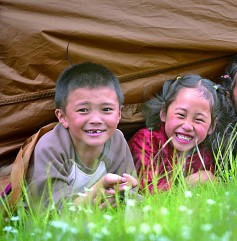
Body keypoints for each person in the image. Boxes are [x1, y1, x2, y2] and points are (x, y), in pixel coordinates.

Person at [26, 62, 138, 210]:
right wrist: (98, 189)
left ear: (119, 114)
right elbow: (51, 211)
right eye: (83, 110)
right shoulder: (51, 146)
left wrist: (124, 192)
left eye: (106, 109)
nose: (96, 120)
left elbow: (133, 194)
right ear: (63, 117)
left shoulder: (117, 141)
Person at [128, 74, 224, 194]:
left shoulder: (203, 151)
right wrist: (188, 184)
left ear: (211, 126)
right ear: (163, 113)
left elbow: (210, 187)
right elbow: (147, 189)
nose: (188, 126)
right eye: (181, 115)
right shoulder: (146, 140)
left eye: (199, 120)